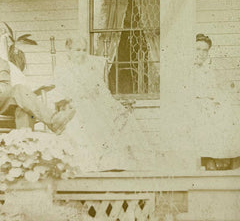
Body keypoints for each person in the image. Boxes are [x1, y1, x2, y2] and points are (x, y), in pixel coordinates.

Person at [52, 36, 153, 172]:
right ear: (68, 51)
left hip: (94, 102)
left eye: (83, 50)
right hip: (74, 105)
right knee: (90, 117)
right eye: (77, 50)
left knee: (116, 115)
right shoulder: (62, 70)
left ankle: (114, 162)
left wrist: (110, 103)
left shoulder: (90, 68)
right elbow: (59, 92)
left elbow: (101, 90)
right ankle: (95, 162)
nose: (81, 53)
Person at [0, 33, 74, 134]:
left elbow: (4, 88)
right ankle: (53, 121)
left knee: (23, 108)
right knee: (19, 92)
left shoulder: (2, 64)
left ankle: (25, 144)